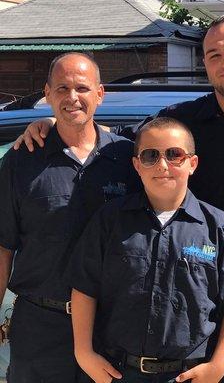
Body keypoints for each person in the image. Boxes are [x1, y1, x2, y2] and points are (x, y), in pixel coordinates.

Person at [14, 14, 224, 382]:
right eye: (214, 54)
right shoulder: (181, 122)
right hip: (192, 330)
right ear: (204, 64)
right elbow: (107, 140)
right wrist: (58, 120)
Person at [68, 117, 224, 383]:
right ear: (137, 165)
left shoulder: (219, 227)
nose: (163, 165)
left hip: (189, 375)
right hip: (116, 372)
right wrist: (83, 352)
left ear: (192, 164)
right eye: (151, 156)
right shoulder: (110, 221)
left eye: (175, 155)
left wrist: (219, 365)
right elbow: (84, 287)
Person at [0, 52, 140, 383]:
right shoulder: (22, 160)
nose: (72, 97)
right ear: (47, 94)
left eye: (82, 88)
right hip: (39, 327)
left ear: (100, 94)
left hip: (111, 326)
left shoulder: (126, 157)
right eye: (62, 88)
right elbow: (3, 247)